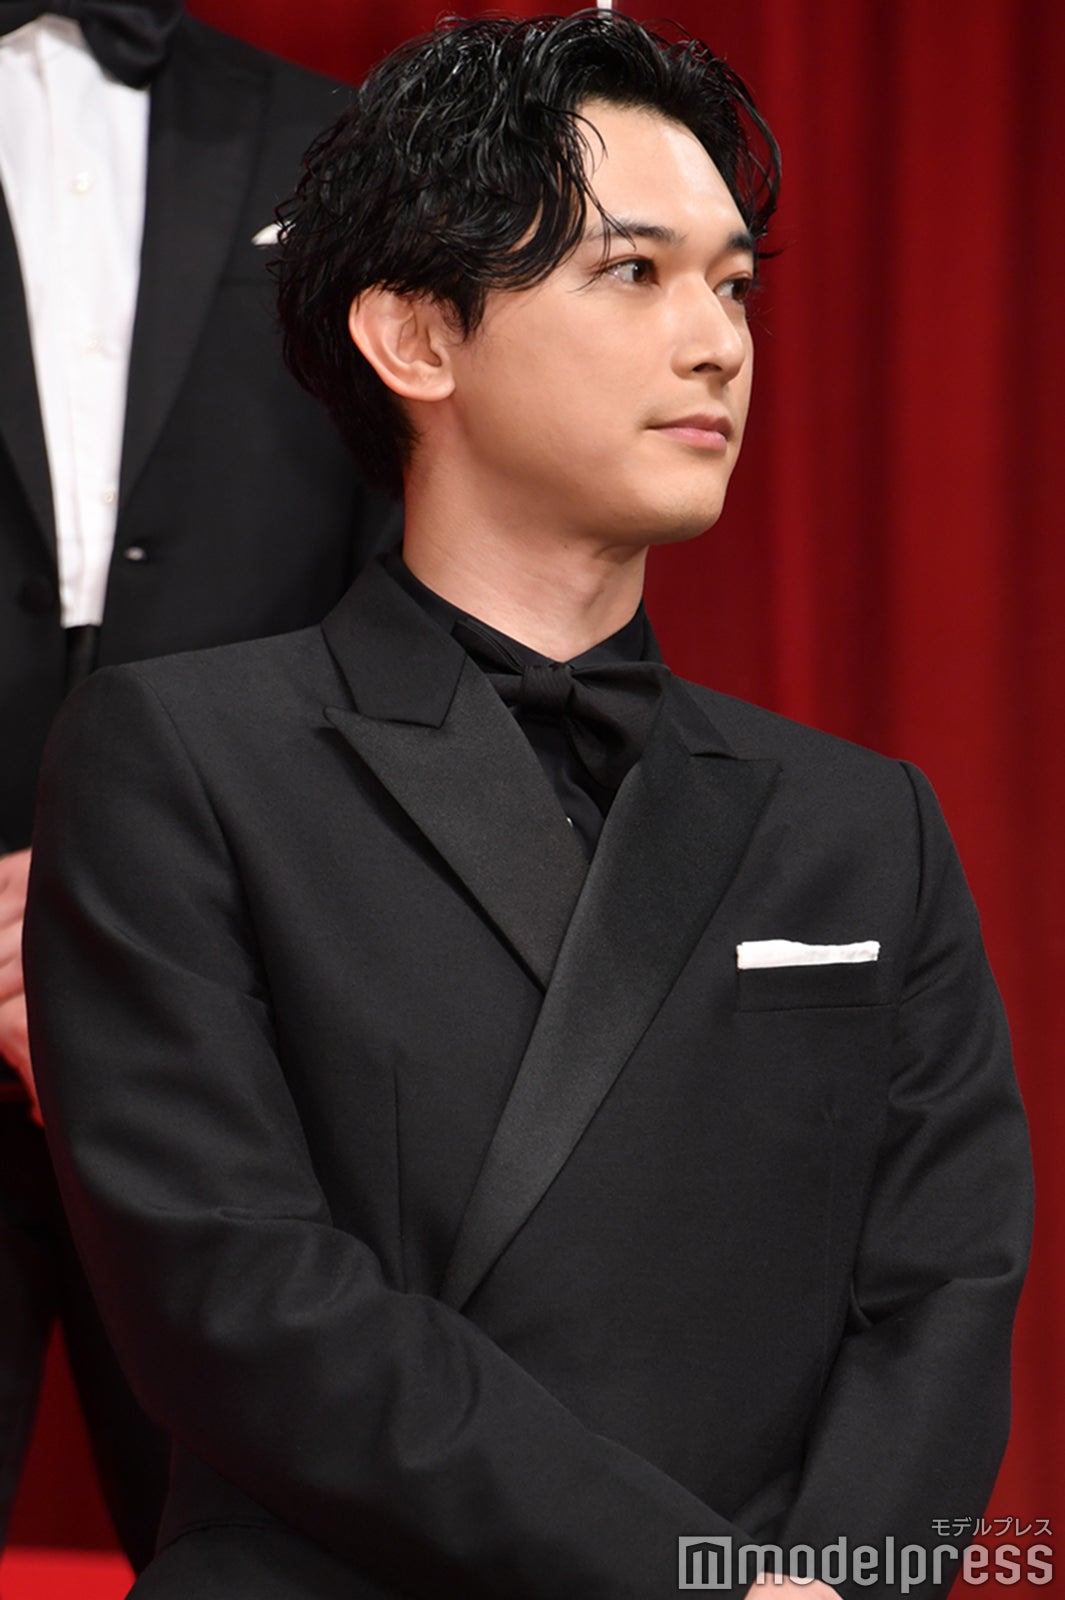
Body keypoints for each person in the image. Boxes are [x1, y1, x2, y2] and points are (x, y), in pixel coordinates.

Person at [24, 11, 1031, 1598]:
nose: (716, 343)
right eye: (632, 272)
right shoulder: (183, 762)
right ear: (415, 339)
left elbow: (943, 1294)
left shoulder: (865, 825)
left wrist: (829, 1586)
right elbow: (239, 1296)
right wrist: (689, 1579)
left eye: (733, 285)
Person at [0, 0, 398, 1568]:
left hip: (233, 1029)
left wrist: (172, 911)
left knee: (255, 1552)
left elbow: (407, 570)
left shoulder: (335, 142)